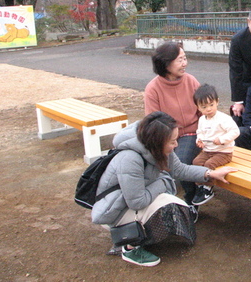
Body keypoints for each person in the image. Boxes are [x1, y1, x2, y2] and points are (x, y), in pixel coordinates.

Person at [92, 112, 237, 267]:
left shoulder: (157, 147)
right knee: (166, 203)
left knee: (173, 202)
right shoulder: (130, 158)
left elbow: (180, 170)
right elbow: (136, 201)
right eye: (173, 141)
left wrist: (210, 173)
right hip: (114, 209)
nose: (176, 145)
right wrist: (163, 182)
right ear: (157, 141)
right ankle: (129, 245)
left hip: (134, 198)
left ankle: (141, 233)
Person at [144, 41, 201, 205]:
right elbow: (153, 122)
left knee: (181, 161)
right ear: (166, 64)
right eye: (180, 60)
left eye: (185, 58)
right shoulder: (153, 88)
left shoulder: (191, 81)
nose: (185, 63)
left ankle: (191, 201)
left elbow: (203, 112)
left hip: (191, 132)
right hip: (166, 137)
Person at [191, 84, 240, 206]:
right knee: (196, 162)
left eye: (211, 105)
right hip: (208, 151)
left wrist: (222, 139)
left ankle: (208, 188)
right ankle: (200, 186)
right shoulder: (202, 120)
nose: (208, 109)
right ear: (198, 107)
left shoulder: (223, 119)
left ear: (217, 102)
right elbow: (200, 132)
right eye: (204, 106)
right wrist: (199, 140)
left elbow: (235, 131)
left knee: (209, 164)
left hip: (223, 152)